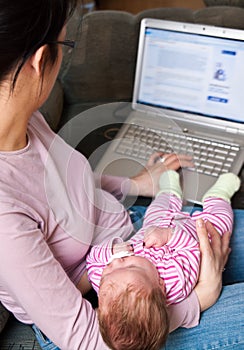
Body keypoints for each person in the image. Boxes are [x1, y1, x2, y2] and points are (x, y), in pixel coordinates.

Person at [0, 1, 243, 349]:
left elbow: (60, 189)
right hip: (107, 314)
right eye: (64, 46)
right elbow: (85, 339)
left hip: (136, 236)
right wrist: (199, 299)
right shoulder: (4, 218)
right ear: (40, 61)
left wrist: (138, 184)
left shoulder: (22, 117)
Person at [86, 171, 240, 350]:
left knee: (158, 207)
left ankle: (169, 190)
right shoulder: (175, 279)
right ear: (160, 284)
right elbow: (192, 250)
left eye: (108, 272)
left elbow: (93, 261)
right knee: (222, 224)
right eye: (132, 266)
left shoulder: (103, 279)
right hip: (195, 231)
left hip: (155, 223)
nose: (119, 261)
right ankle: (218, 195)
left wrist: (110, 250)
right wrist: (169, 236)